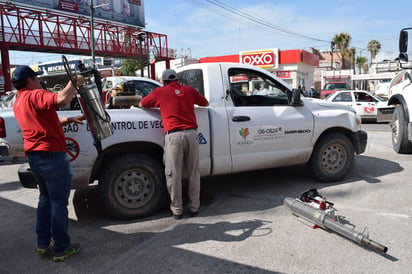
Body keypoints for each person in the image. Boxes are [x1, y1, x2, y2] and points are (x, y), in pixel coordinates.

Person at [12, 65, 84, 262]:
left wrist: (69, 119)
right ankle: (61, 248)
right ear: (29, 80)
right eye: (35, 78)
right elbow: (61, 99)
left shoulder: (18, 101)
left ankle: (43, 244)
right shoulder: (35, 95)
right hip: (52, 155)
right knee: (59, 204)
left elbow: (42, 119)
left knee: (45, 200)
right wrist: (74, 81)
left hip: (35, 157)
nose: (38, 81)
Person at [138, 69, 209, 220]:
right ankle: (194, 208)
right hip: (192, 134)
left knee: (173, 175)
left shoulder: (160, 92)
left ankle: (177, 210)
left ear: (163, 81)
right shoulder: (189, 90)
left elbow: (142, 103)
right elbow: (204, 102)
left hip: (174, 137)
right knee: (193, 173)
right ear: (177, 79)